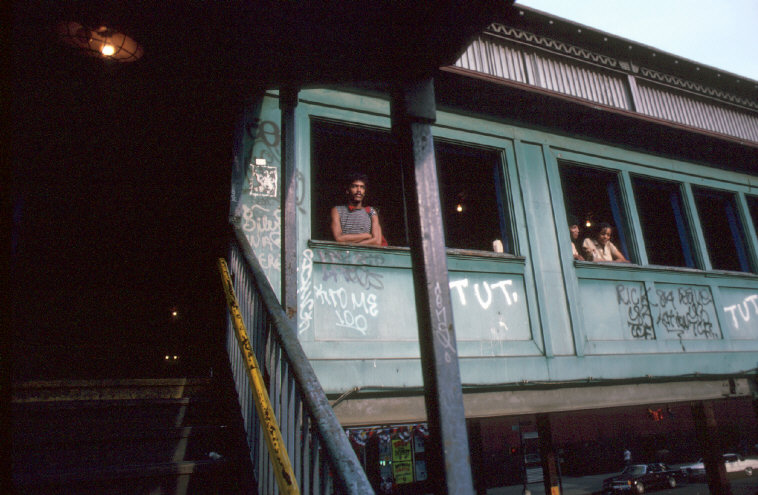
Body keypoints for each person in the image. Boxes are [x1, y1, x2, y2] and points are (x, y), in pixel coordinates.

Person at [330, 172, 385, 246]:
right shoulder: (337, 210)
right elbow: (339, 239)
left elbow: (377, 242)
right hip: (344, 255)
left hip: (367, 256)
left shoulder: (371, 211)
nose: (359, 190)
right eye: (355, 186)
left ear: (364, 192)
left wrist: (354, 245)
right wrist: (367, 235)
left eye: (362, 187)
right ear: (347, 190)